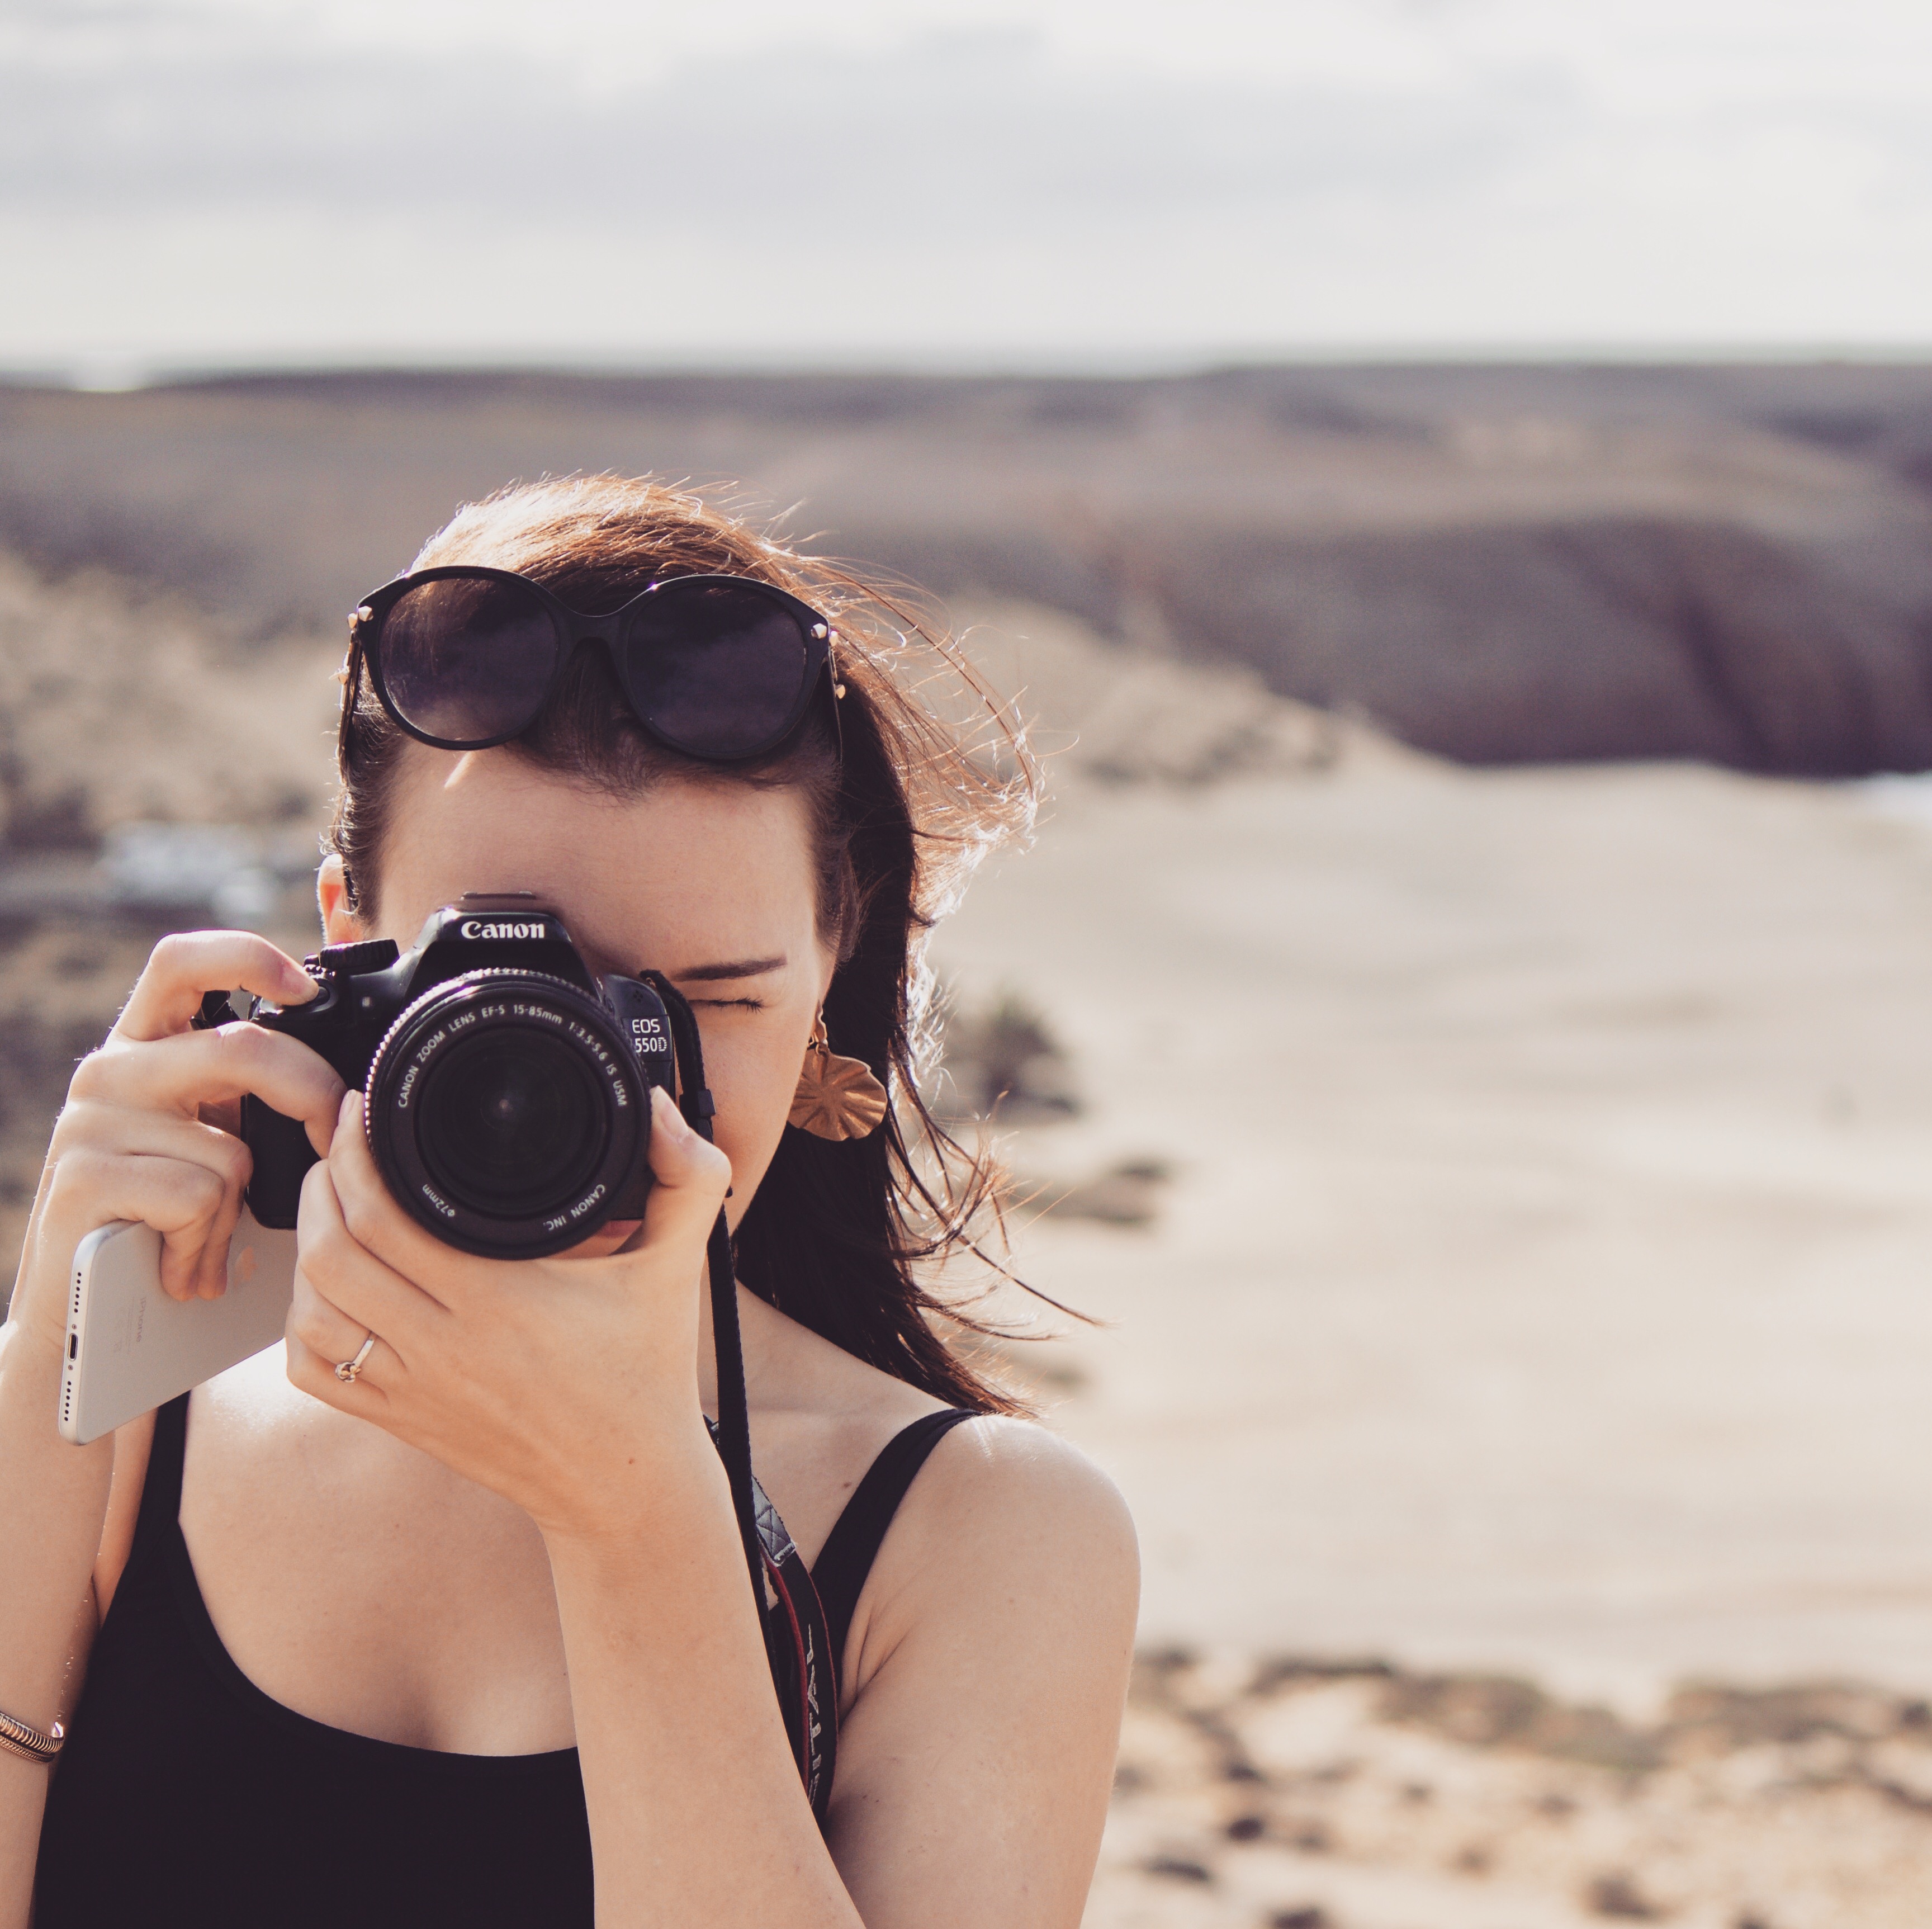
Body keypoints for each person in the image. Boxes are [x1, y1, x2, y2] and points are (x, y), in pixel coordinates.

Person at [0, 476, 1138, 1927]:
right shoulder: (125, 1414)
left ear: (832, 981)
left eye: (708, 1001)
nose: (608, 1082)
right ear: (344, 941)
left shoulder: (983, 1536)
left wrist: (639, 1515)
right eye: (522, 996)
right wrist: (50, 1362)